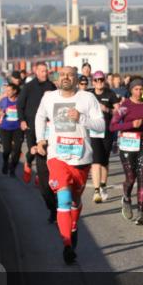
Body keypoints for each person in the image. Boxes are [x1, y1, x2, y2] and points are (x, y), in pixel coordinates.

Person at [32, 66, 105, 264]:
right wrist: (40, 139)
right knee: (63, 199)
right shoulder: (49, 97)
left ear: (76, 79)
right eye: (63, 74)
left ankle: (73, 227)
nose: (66, 77)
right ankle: (66, 245)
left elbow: (101, 125)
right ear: (57, 78)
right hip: (57, 157)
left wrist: (81, 118)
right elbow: (39, 116)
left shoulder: (87, 99)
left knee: (74, 201)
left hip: (81, 158)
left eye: (70, 75)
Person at [110, 76, 143, 225]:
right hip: (128, 142)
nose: (139, 92)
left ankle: (141, 213)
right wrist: (130, 124)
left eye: (141, 89)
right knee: (131, 177)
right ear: (131, 90)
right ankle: (126, 197)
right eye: (136, 89)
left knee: (142, 175)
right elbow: (113, 126)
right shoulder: (124, 106)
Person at [17, 62, 58, 220]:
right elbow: (20, 105)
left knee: (50, 172)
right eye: (42, 71)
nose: (45, 73)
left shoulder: (52, 87)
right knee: (35, 157)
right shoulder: (29, 87)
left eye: (46, 71)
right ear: (35, 71)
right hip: (33, 130)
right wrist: (21, 120)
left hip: (50, 133)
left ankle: (58, 208)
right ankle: (51, 207)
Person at [89, 71, 119, 203]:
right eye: (96, 80)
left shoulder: (110, 94)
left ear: (104, 80)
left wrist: (107, 110)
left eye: (101, 80)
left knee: (104, 162)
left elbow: (119, 112)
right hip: (93, 131)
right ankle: (96, 191)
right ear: (93, 82)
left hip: (107, 131)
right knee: (95, 161)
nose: (99, 82)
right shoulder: (89, 95)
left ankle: (103, 185)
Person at [0, 83, 24, 176]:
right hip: (5, 128)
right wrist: (0, 113)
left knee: (17, 150)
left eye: (9, 90)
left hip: (18, 128)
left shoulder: (20, 101)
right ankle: (5, 163)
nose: (7, 92)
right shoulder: (4, 101)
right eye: (6, 90)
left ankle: (12, 168)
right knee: (7, 150)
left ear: (14, 91)